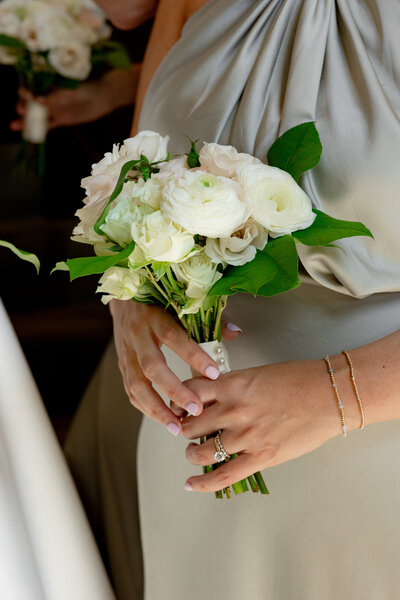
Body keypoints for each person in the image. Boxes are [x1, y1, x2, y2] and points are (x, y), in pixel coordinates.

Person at [66, 1, 400, 599]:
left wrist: (334, 393)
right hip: (193, 451)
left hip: (376, 455)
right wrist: (129, 299)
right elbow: (136, 177)